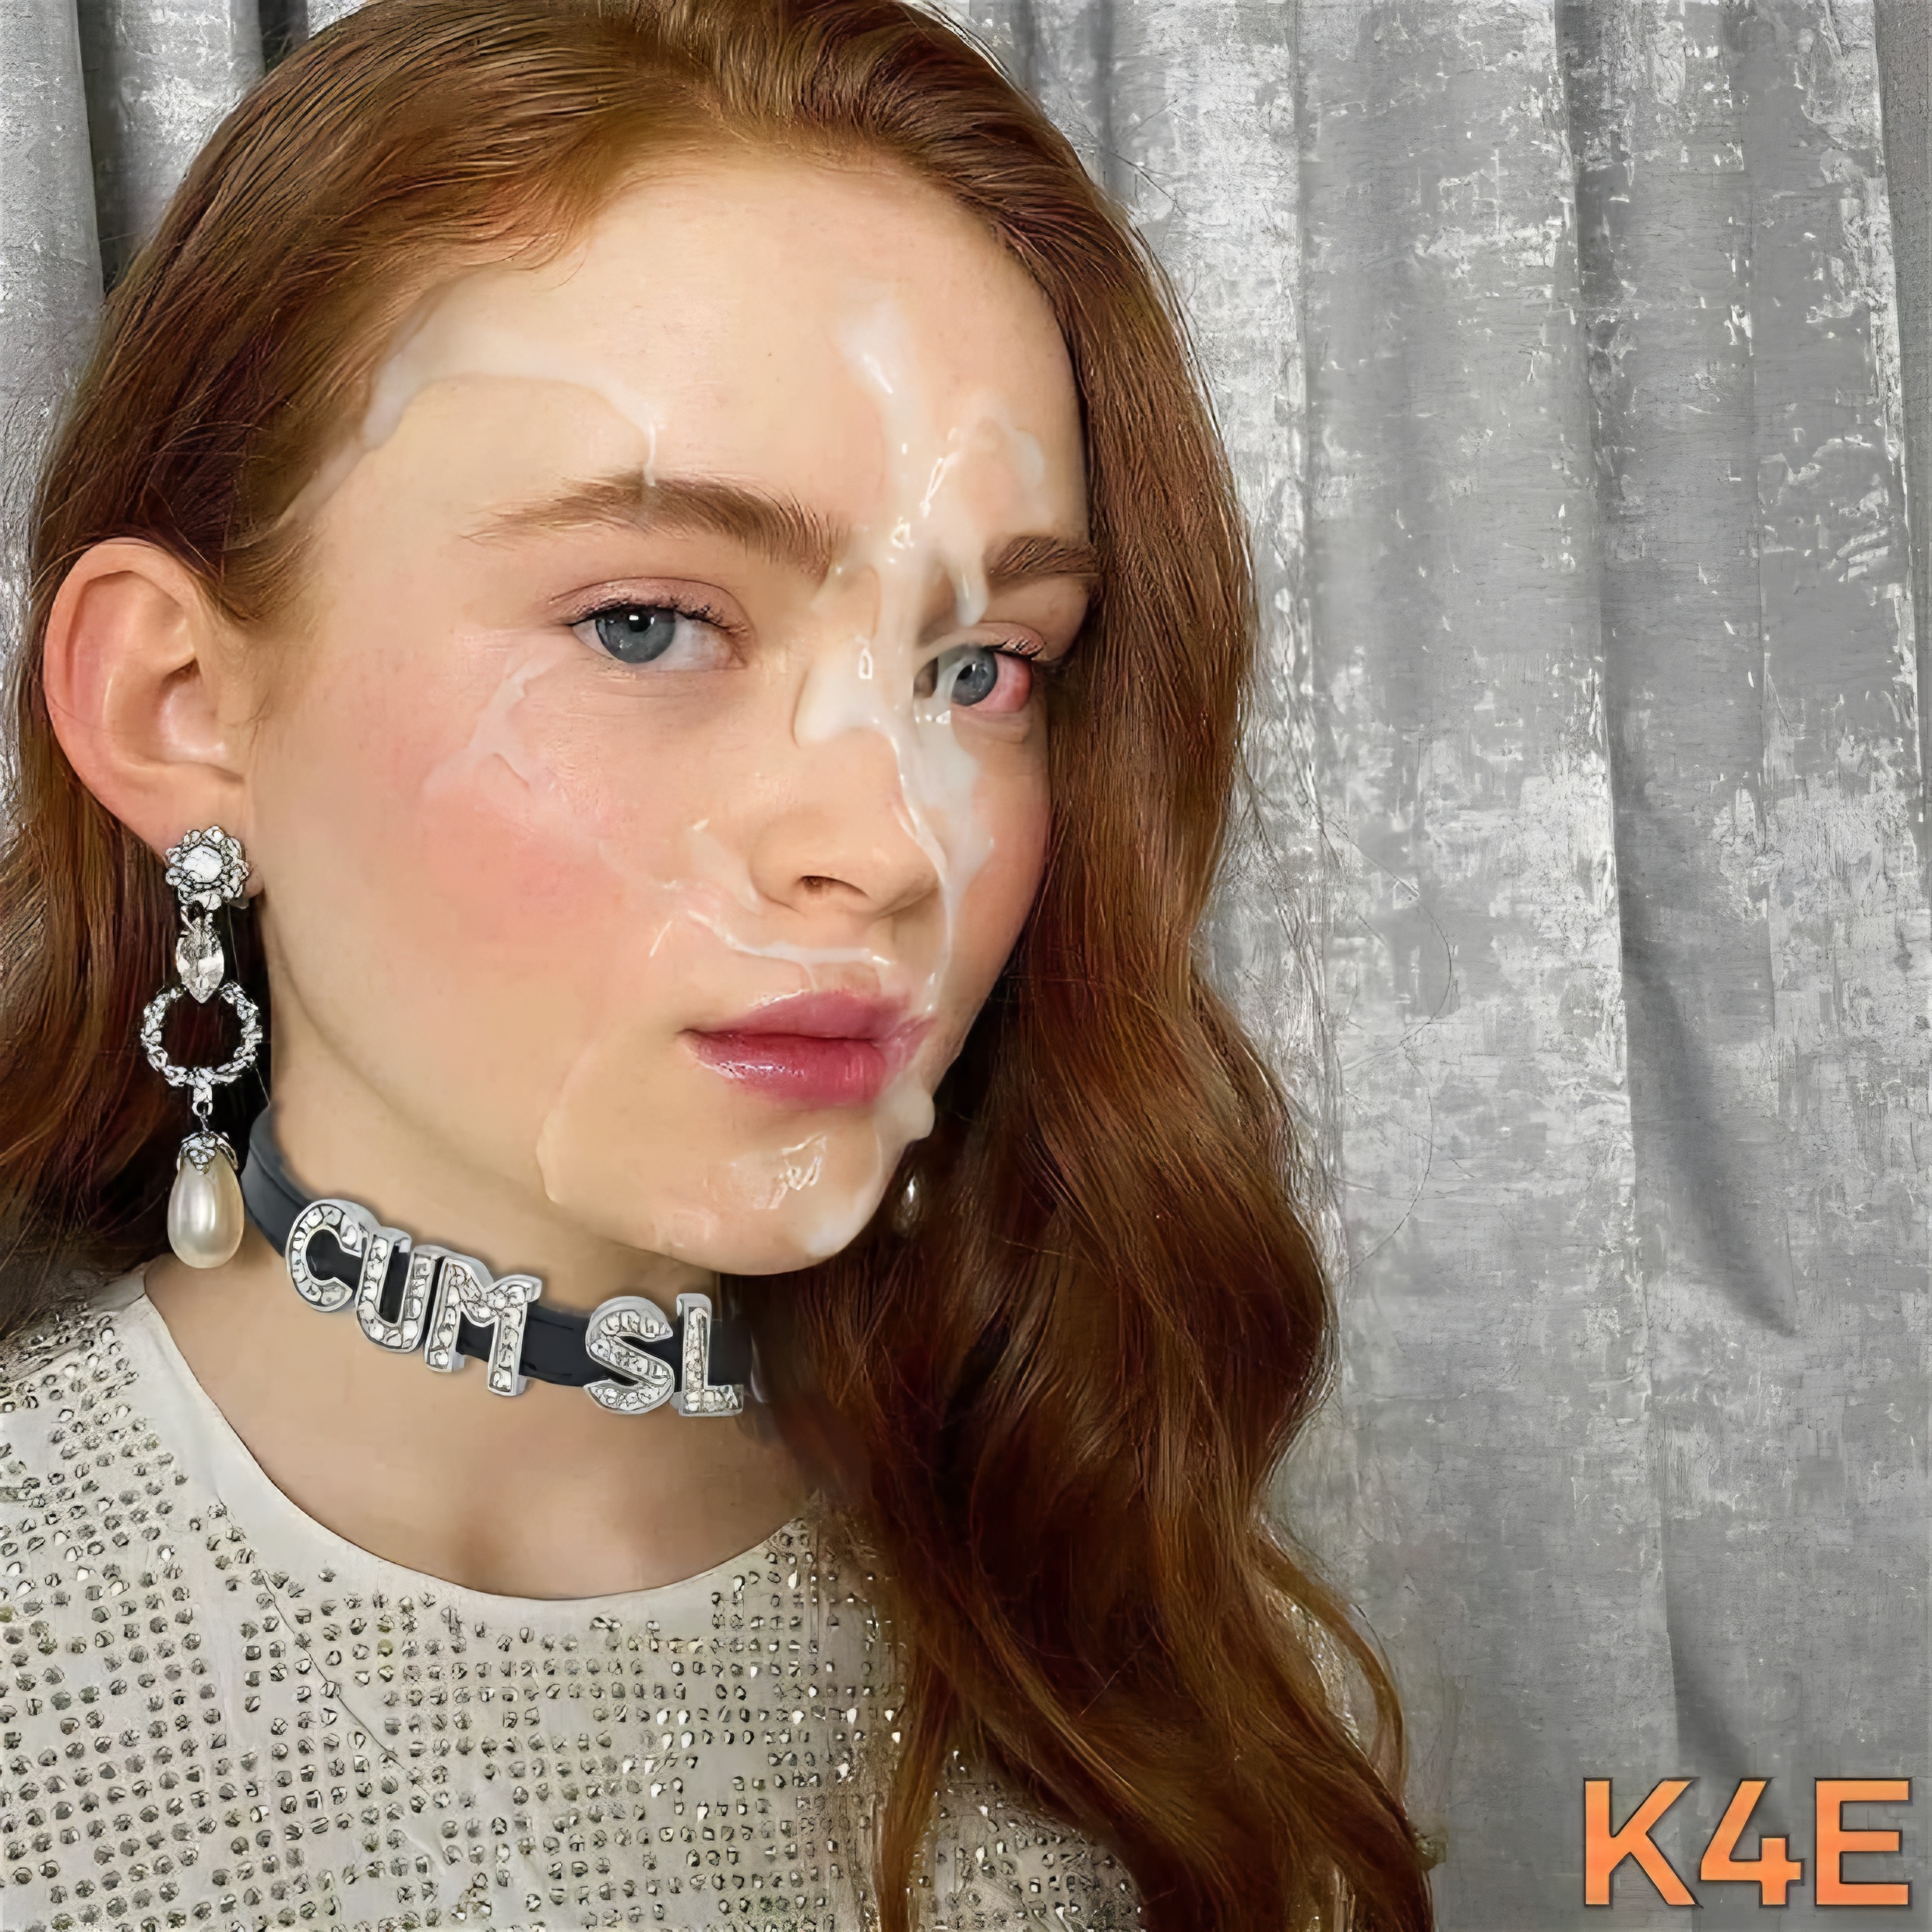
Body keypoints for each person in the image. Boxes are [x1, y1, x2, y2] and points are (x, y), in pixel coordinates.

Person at [0, 1, 1434, 1926]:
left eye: (981, 668)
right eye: (650, 624)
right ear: (177, 702)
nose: (890, 844)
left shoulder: (1159, 1645)